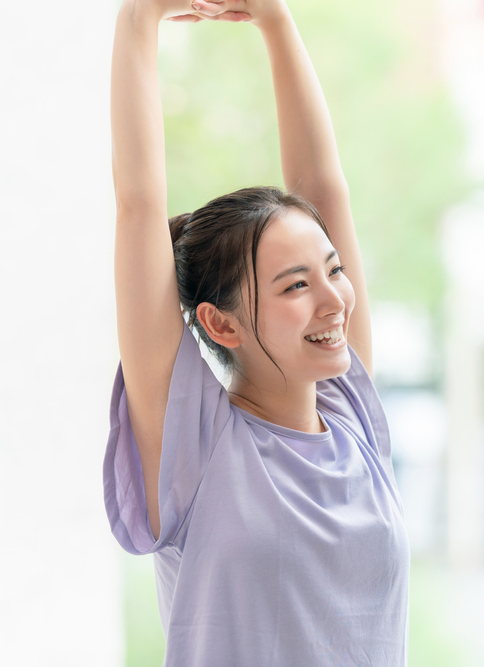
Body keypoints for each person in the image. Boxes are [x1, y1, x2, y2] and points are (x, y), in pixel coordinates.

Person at [102, 1, 409, 664]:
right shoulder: (197, 447)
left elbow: (323, 187)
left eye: (332, 270)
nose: (335, 300)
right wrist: (139, 17)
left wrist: (274, 19)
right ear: (219, 322)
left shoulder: (351, 415)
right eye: (295, 286)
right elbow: (139, 205)